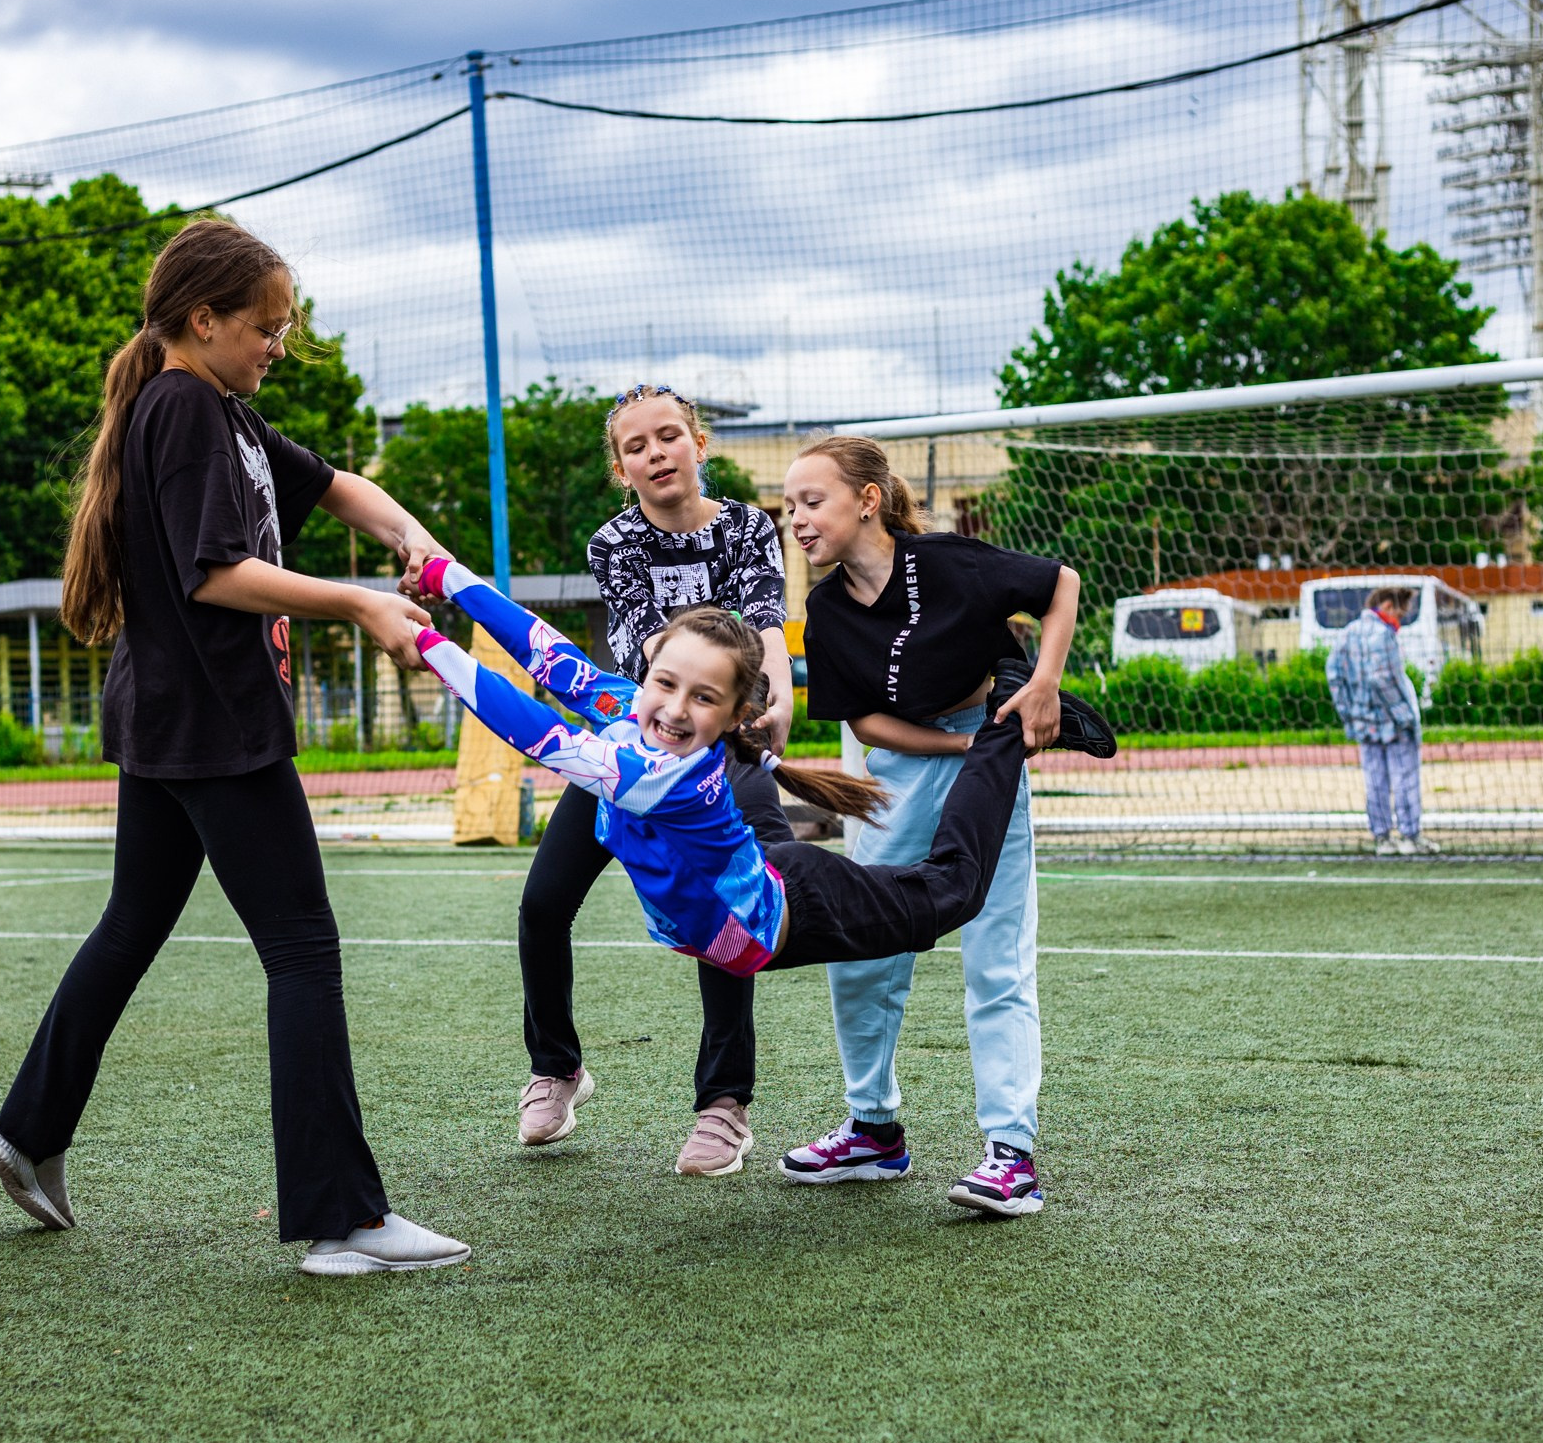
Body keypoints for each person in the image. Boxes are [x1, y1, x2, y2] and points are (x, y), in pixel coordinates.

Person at [0, 219, 471, 1278]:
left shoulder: (225, 411)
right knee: (301, 949)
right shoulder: (186, 408)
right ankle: (342, 1220)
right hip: (213, 722)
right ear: (203, 321)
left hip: (171, 719)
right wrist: (357, 603)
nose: (278, 344)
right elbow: (215, 573)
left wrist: (416, 547)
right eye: (265, 325)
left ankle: (28, 1132)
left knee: (132, 924)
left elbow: (337, 485)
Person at [408, 553, 1114, 1029]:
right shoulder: (632, 710)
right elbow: (545, 652)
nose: (676, 709)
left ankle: (1006, 719)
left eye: (703, 698)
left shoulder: (657, 776)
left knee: (953, 891)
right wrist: (446, 575)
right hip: (759, 885)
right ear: (647, 670)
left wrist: (428, 646)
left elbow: (532, 728)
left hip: (795, 913)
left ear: (735, 716)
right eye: (667, 685)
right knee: (878, 879)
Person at [779, 436, 1104, 1219]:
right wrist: (963, 748)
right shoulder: (823, 612)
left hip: (989, 752)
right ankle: (873, 1131)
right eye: (788, 506)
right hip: (910, 768)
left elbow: (1061, 584)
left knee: (995, 958)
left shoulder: (950, 561)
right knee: (863, 951)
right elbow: (869, 723)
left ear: (866, 500)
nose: (796, 519)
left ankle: (1010, 1155)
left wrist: (1044, 689)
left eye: (811, 501)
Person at [514, 385, 790, 1177]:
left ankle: (723, 1106)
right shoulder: (616, 542)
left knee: (725, 922)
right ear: (621, 468)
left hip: (721, 747)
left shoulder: (747, 527)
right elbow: (653, 654)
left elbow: (764, 627)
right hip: (636, 748)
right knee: (541, 906)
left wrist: (775, 697)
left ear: (700, 443)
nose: (657, 453)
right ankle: (556, 1069)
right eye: (637, 446)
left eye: (670, 436)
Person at [1326, 587, 1436, 857]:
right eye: (1401, 612)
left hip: (1364, 723)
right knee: (1405, 778)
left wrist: (1349, 715)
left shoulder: (1347, 633)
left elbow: (1333, 675)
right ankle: (1410, 835)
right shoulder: (1382, 634)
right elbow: (1381, 677)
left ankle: (1382, 837)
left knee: (1375, 781)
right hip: (1394, 724)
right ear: (1387, 606)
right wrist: (1404, 715)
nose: (1402, 618)